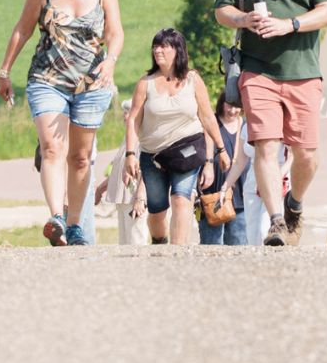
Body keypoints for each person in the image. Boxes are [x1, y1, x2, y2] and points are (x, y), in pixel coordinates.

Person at [214, 0, 327, 246]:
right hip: (257, 71)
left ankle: (294, 204)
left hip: (303, 70)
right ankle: (277, 222)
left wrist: (291, 25)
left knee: (307, 154)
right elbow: (221, 10)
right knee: (266, 147)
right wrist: (242, 19)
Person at [0, 0, 123, 246]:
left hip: (92, 84)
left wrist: (111, 60)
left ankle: (75, 223)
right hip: (47, 79)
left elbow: (115, 33)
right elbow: (22, 31)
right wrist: (4, 70)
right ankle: (56, 218)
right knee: (53, 148)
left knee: (80, 158)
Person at [123, 28, 226, 246]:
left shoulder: (192, 80)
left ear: (177, 50)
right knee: (157, 211)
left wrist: (220, 149)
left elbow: (207, 117)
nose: (157, 50)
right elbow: (133, 120)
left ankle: (178, 252)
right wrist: (130, 154)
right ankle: (160, 241)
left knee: (182, 197)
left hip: (187, 149)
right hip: (153, 156)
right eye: (155, 46)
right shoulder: (146, 83)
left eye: (163, 46)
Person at [198, 93, 251, 246]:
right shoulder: (210, 123)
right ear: (221, 103)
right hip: (211, 198)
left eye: (237, 106)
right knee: (211, 246)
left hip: (240, 199)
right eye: (229, 105)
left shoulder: (246, 126)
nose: (233, 110)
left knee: (239, 246)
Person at [96, 99, 149, 246]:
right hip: (123, 200)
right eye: (125, 113)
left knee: (136, 242)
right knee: (124, 243)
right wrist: (101, 189)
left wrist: (140, 198)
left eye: (130, 112)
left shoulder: (144, 141)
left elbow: (148, 171)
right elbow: (117, 173)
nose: (125, 116)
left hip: (135, 200)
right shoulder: (127, 141)